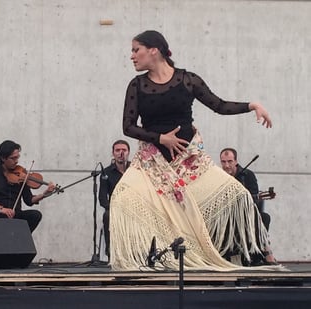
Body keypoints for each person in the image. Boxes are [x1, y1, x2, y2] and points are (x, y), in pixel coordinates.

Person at [109, 30, 279, 271]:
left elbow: (219, 105)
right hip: (152, 162)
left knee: (238, 195)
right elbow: (127, 126)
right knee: (121, 198)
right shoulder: (137, 85)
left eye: (136, 50)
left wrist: (252, 105)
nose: (132, 56)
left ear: (154, 50)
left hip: (190, 160)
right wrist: (161, 138)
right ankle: (137, 261)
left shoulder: (187, 80)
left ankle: (260, 251)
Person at [0, 140, 56, 233]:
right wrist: (1, 209)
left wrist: (44, 194)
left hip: (15, 215)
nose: (16, 161)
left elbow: (29, 200)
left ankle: (19, 239)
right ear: (3, 158)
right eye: (13, 158)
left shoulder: (21, 175)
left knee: (35, 215)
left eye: (17, 157)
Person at [220, 148, 271, 231]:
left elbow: (254, 198)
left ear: (236, 162)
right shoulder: (218, 177)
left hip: (244, 213)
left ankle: (259, 243)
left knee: (265, 217)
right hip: (223, 215)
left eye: (230, 161)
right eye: (223, 162)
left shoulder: (247, 175)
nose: (226, 165)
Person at [99, 140, 131, 259]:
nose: (121, 153)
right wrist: (114, 208)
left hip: (133, 208)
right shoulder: (106, 172)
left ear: (128, 152)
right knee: (107, 216)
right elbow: (102, 198)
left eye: (124, 150)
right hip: (115, 209)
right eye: (117, 150)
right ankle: (110, 251)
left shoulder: (135, 170)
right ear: (113, 153)